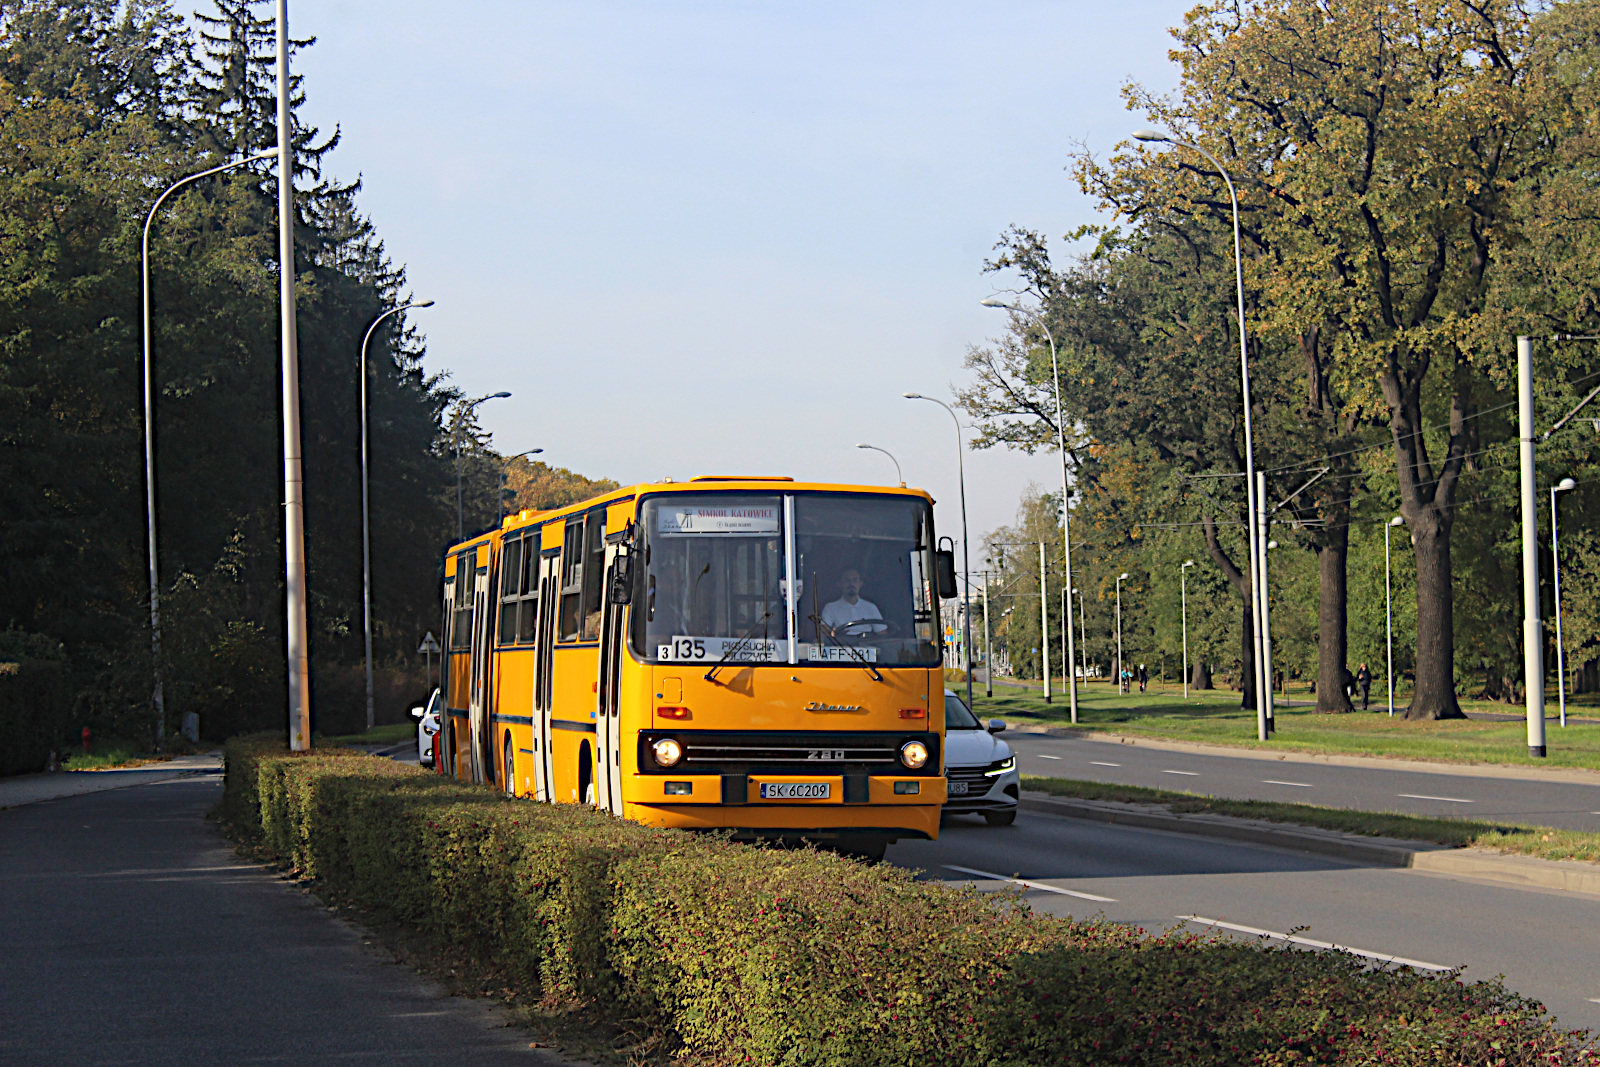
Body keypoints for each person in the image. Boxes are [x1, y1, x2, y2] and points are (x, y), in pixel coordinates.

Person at [820, 567, 887, 635]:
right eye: (847, 580)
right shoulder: (830, 608)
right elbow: (823, 635)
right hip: (841, 644)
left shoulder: (871, 607)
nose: (851, 584)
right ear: (840, 584)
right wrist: (833, 635)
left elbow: (882, 634)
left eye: (855, 580)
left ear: (860, 583)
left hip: (866, 644)